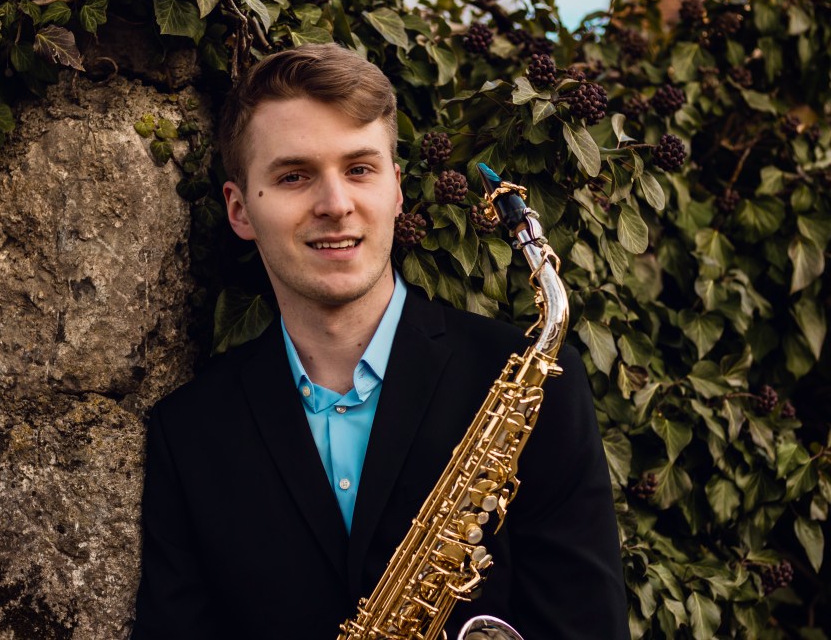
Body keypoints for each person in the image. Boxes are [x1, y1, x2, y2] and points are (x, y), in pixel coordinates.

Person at [132, 43, 628, 640]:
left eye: (359, 169)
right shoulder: (189, 433)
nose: (335, 205)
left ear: (396, 189)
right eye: (293, 176)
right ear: (239, 210)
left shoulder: (537, 384)